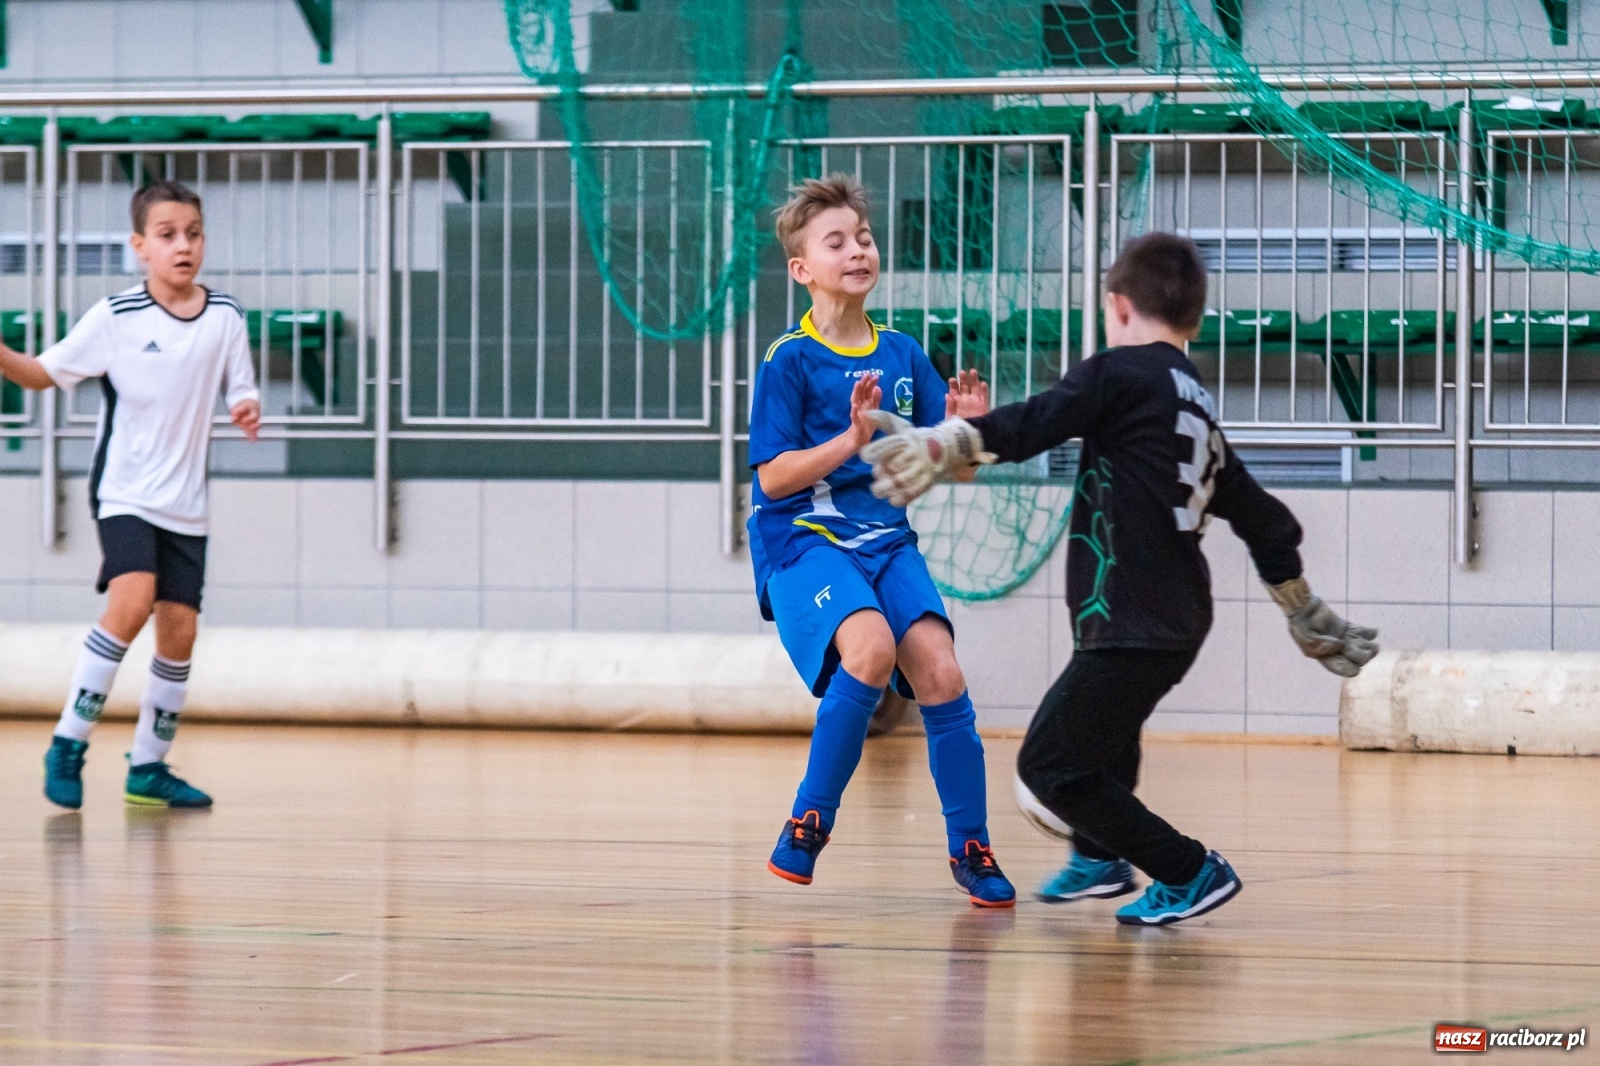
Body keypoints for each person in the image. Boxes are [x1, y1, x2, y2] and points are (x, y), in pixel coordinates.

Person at [861, 232, 1378, 925]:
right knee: (1106, 738)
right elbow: (1265, 516)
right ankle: (1100, 860)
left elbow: (1042, 418)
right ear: (1192, 318)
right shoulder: (1191, 403)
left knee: (1050, 768)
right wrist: (1300, 606)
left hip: (1133, 621)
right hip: (1168, 620)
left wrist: (951, 439)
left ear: (1118, 305)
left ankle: (1189, 870)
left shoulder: (1117, 374)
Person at [747, 174, 1015, 907]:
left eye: (862, 236)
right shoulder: (788, 359)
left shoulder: (901, 354)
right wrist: (851, 439)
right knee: (868, 650)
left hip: (887, 542)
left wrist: (970, 434)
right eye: (836, 241)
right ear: (802, 267)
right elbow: (773, 480)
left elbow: (955, 475)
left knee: (943, 674)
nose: (857, 250)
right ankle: (808, 820)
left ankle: (971, 848)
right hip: (803, 539)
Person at [0, 180, 261, 810]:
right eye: (168, 235)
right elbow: (39, 374)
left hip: (187, 503)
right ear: (139, 246)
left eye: (193, 233)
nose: (184, 246)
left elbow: (239, 386)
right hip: (124, 492)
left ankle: (148, 766)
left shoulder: (225, 316)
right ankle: (67, 743)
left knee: (179, 633)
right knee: (133, 598)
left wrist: (246, 406)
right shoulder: (115, 318)